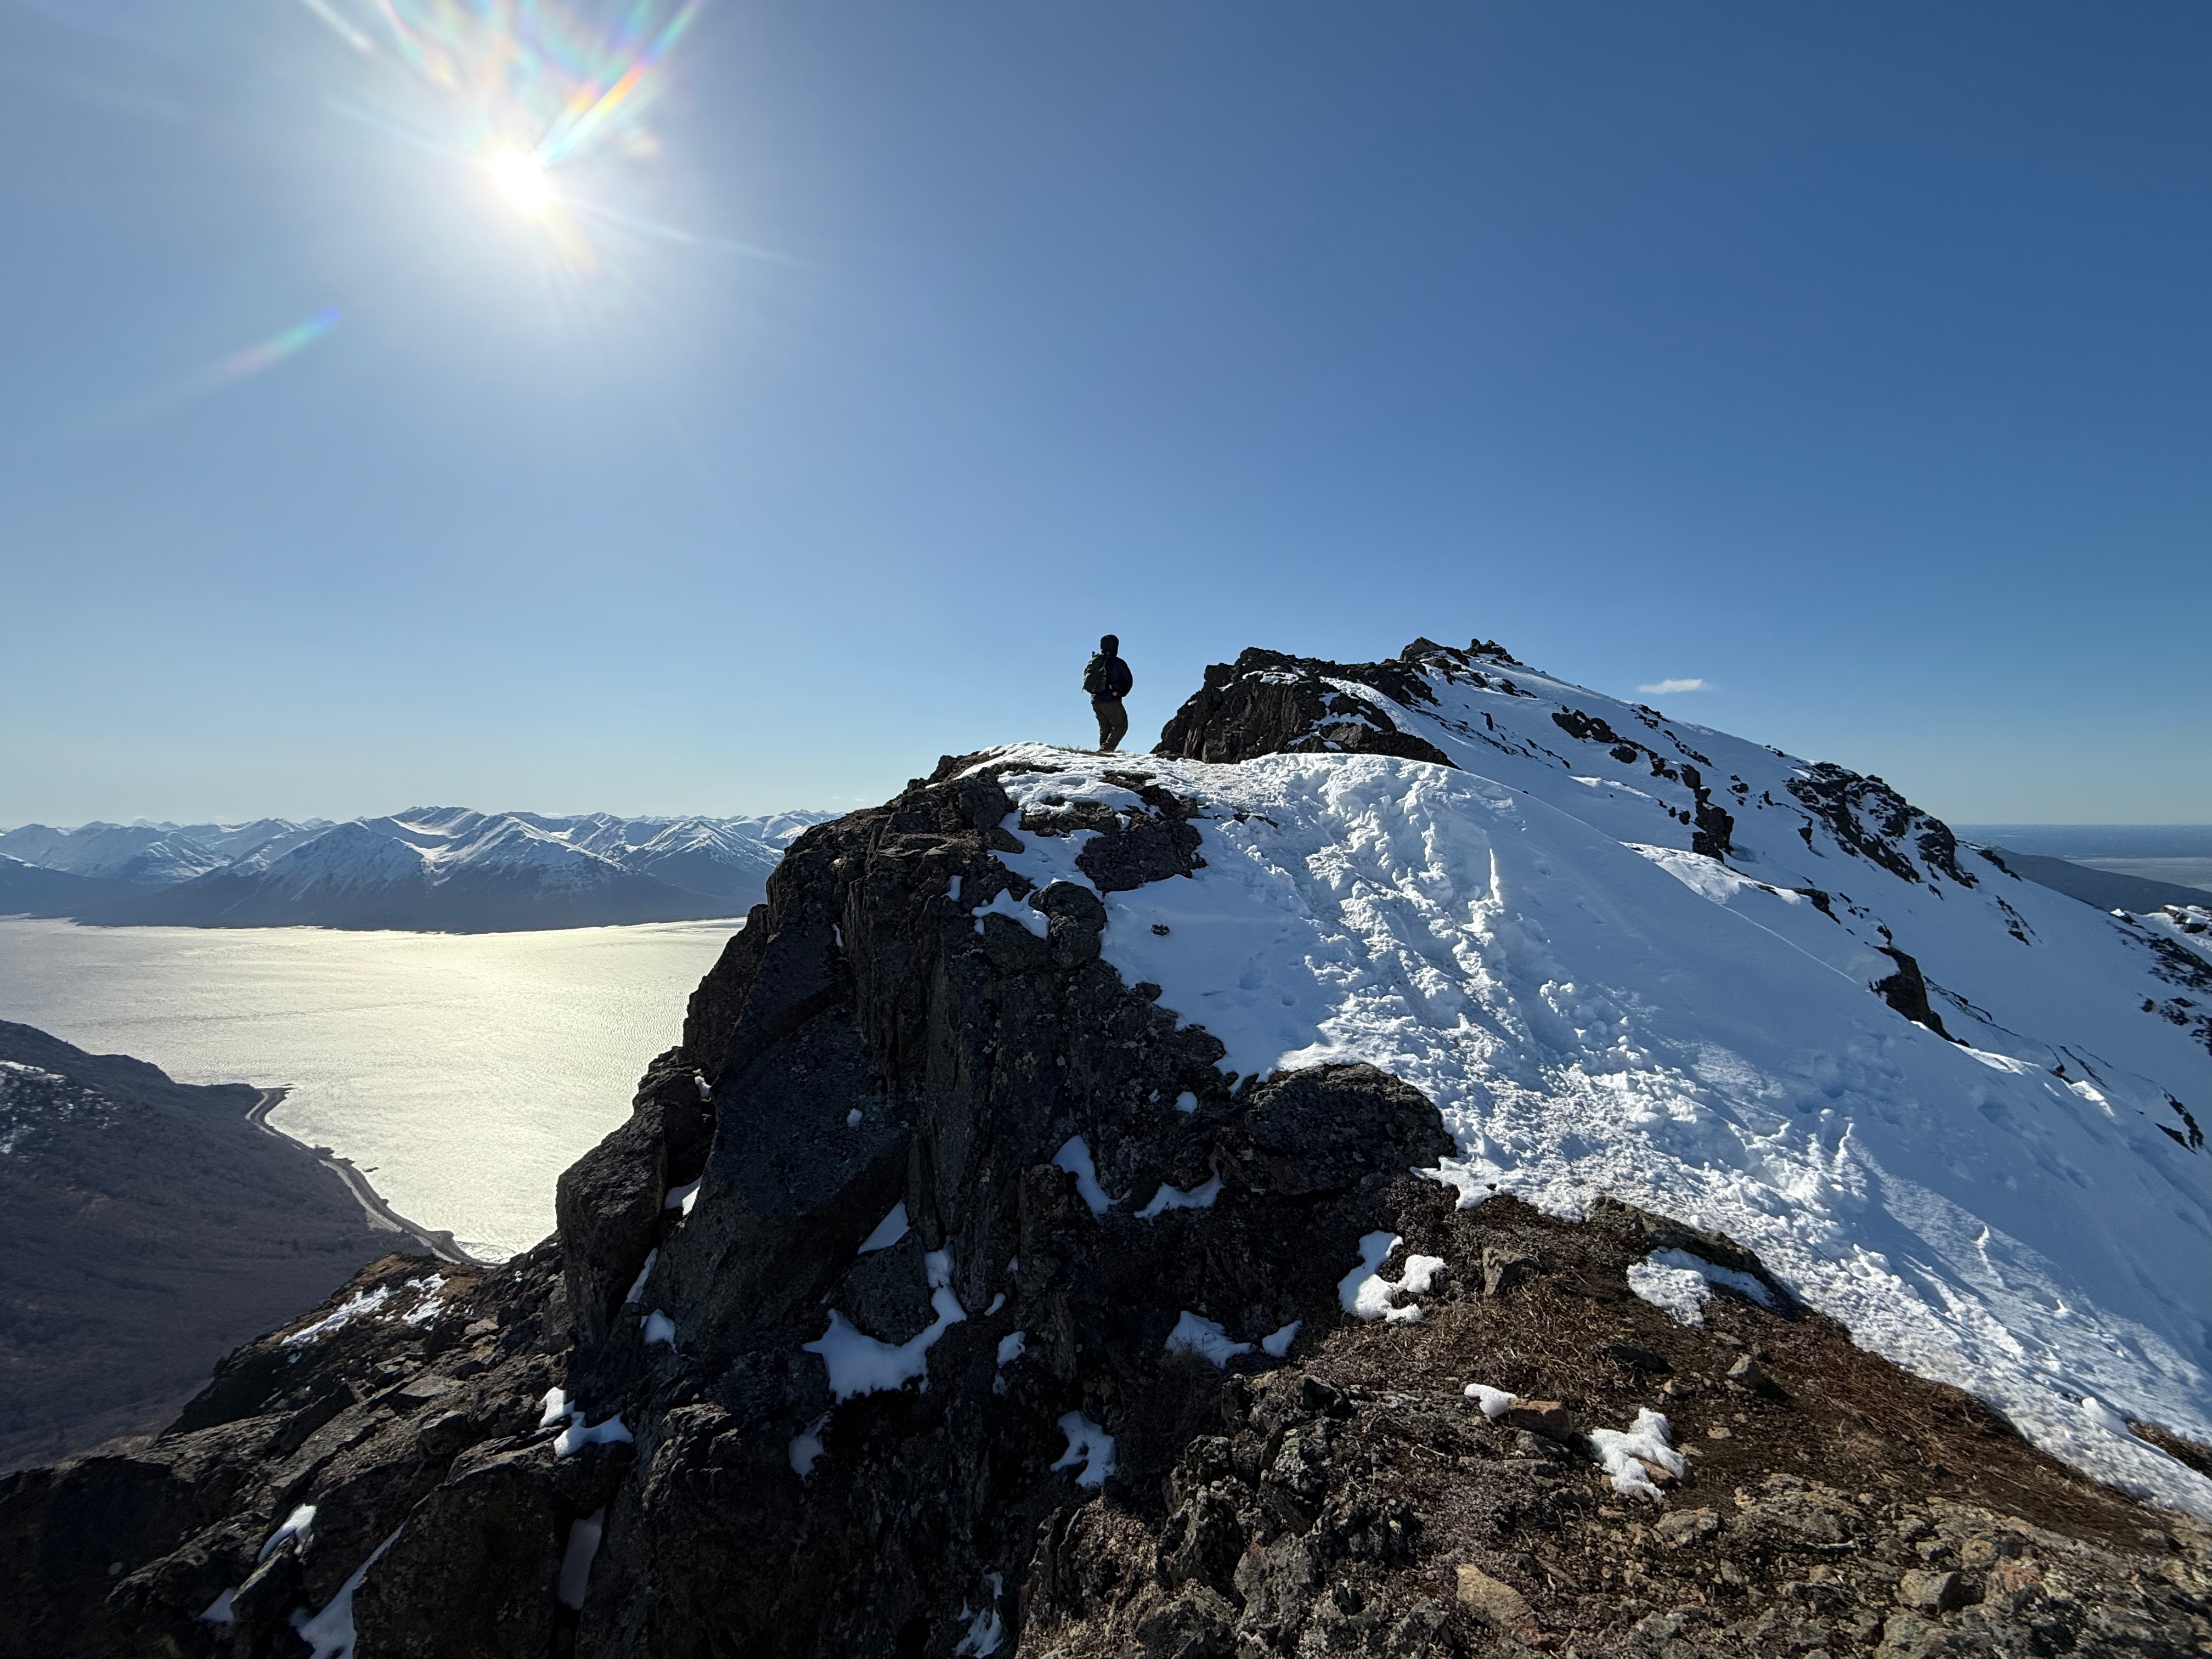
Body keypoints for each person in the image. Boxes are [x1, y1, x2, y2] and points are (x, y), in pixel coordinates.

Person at [1082, 634, 1133, 752]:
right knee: (1121, 726)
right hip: (1110, 700)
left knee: (1105, 728)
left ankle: (1103, 757)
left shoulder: (1095, 661)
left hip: (1095, 700)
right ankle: (1106, 751)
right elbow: (1128, 681)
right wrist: (1119, 694)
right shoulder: (1117, 663)